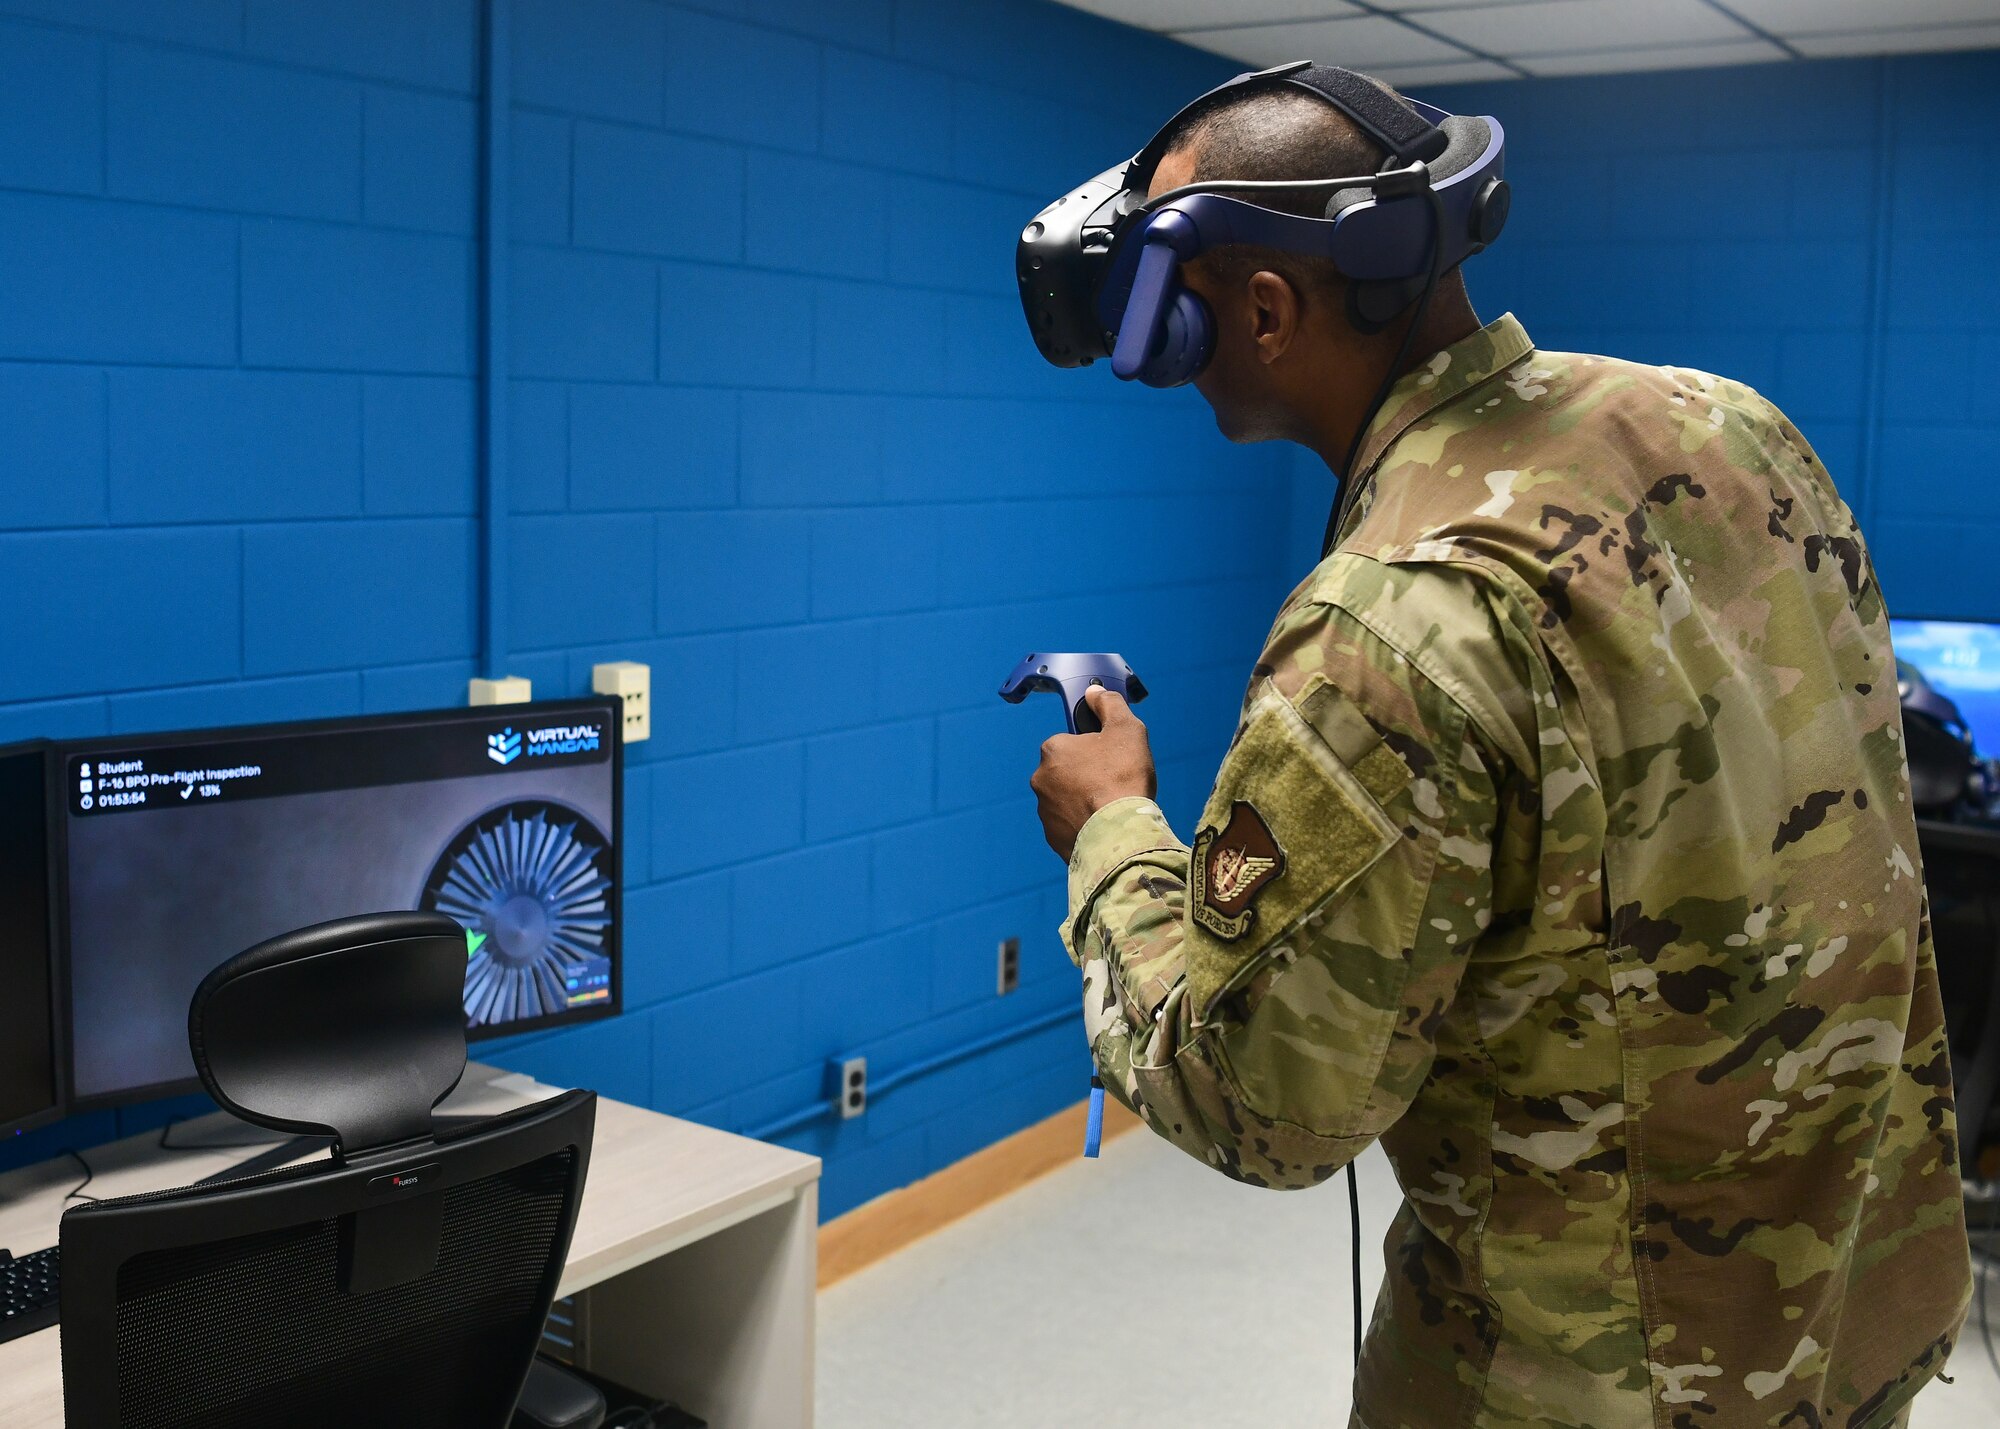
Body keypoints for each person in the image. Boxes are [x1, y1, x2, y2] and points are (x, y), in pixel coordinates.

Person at [1027, 73, 1972, 1429]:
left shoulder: (1390, 622)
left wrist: (1114, 827)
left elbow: (1267, 1105)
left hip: (1592, 1383)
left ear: (1269, 313)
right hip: (1850, 1316)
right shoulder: (1734, 425)